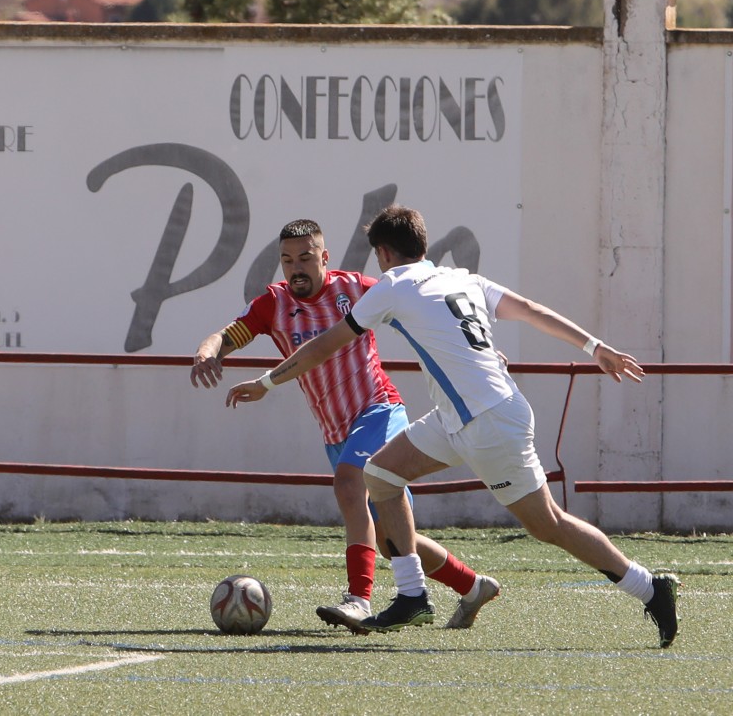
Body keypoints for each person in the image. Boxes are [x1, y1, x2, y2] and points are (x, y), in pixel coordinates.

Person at [225, 204, 680, 647]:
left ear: (383, 253)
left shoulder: (392, 285)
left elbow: (325, 345)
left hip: (487, 422)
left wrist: (267, 381)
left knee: (548, 525)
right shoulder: (461, 279)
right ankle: (412, 595)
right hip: (459, 417)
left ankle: (648, 587)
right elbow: (530, 309)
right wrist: (595, 346)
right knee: (380, 475)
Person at [193, 219, 500, 633]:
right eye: (286, 260)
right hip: (336, 432)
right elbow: (227, 335)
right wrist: (207, 352)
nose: (295, 268)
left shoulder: (356, 289)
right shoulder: (274, 304)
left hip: (379, 410)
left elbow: (424, 309)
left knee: (347, 484)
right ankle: (472, 585)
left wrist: (479, 354)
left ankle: (358, 599)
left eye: (305, 257)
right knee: (392, 543)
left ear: (325, 257)